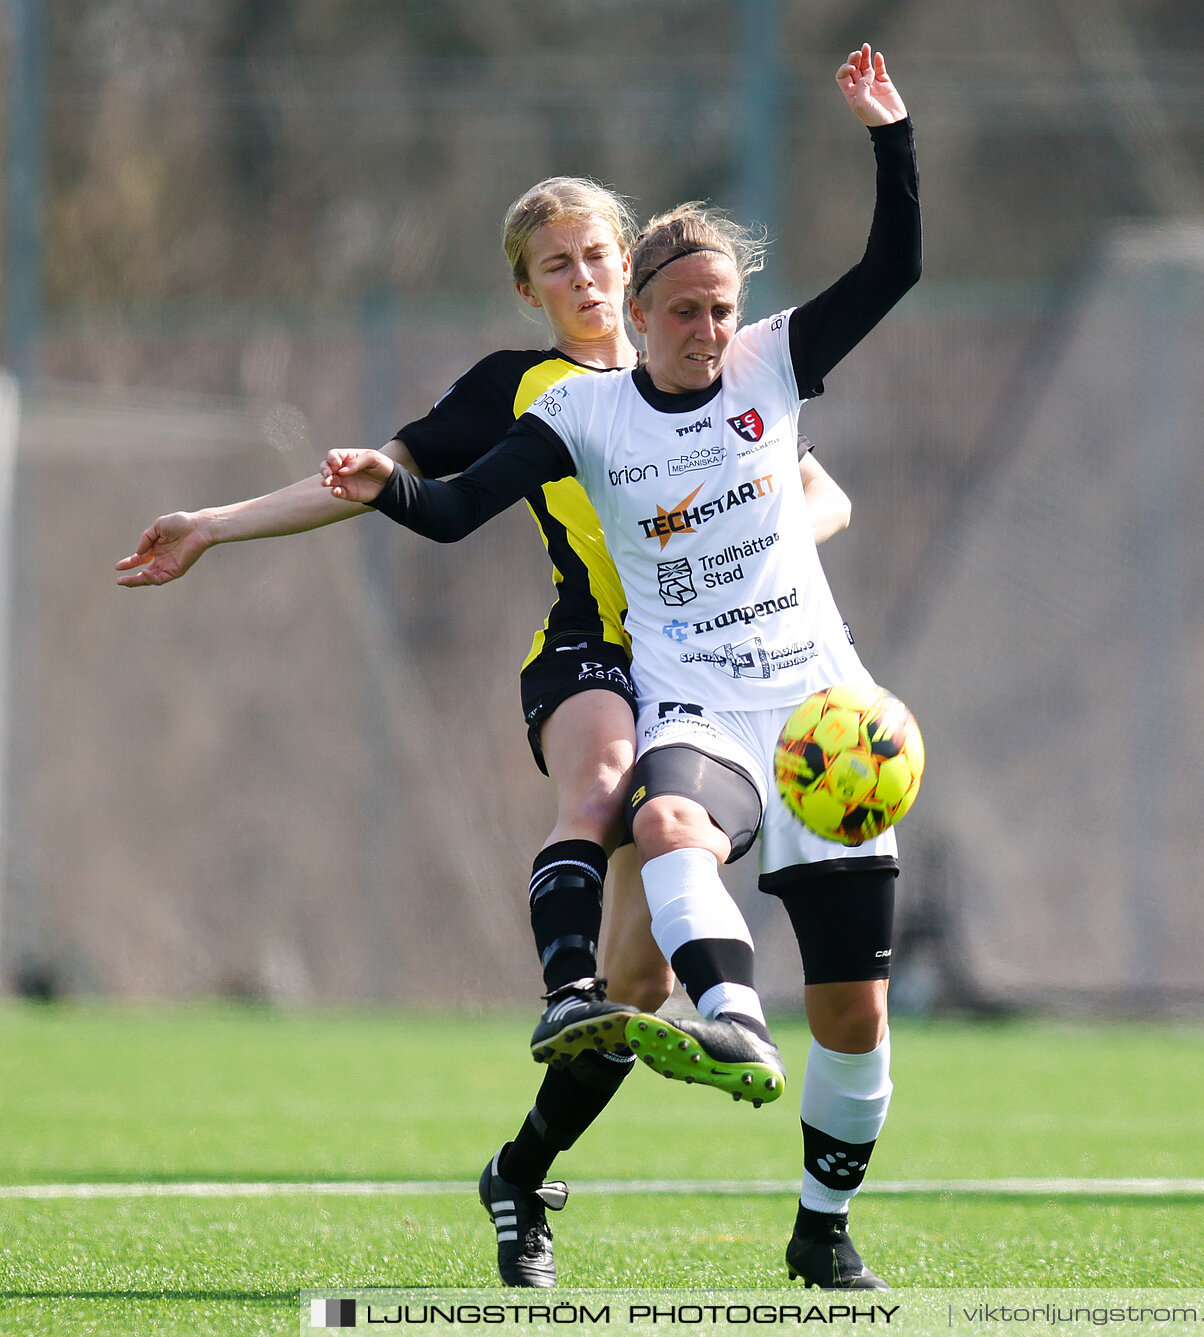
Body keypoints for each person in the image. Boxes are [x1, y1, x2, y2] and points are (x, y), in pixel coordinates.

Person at [114, 174, 853, 1288]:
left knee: (640, 987)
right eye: (558, 265)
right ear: (528, 289)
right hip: (590, 653)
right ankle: (559, 991)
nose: (587, 277)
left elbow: (824, 492)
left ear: (632, 262)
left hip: (702, 678)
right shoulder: (520, 391)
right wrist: (216, 525)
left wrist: (762, 547)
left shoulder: (709, 358)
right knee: (602, 787)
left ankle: (521, 1168)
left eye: (599, 253)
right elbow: (382, 482)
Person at [323, 43, 920, 1291]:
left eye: (722, 307)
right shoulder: (576, 411)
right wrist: (386, 485)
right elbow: (447, 512)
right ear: (633, 317)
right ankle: (730, 1016)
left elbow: (894, 268)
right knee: (660, 814)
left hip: (825, 709)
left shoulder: (773, 362)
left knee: (852, 1018)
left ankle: (820, 1227)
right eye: (684, 310)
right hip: (695, 700)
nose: (708, 329)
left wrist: (888, 135)